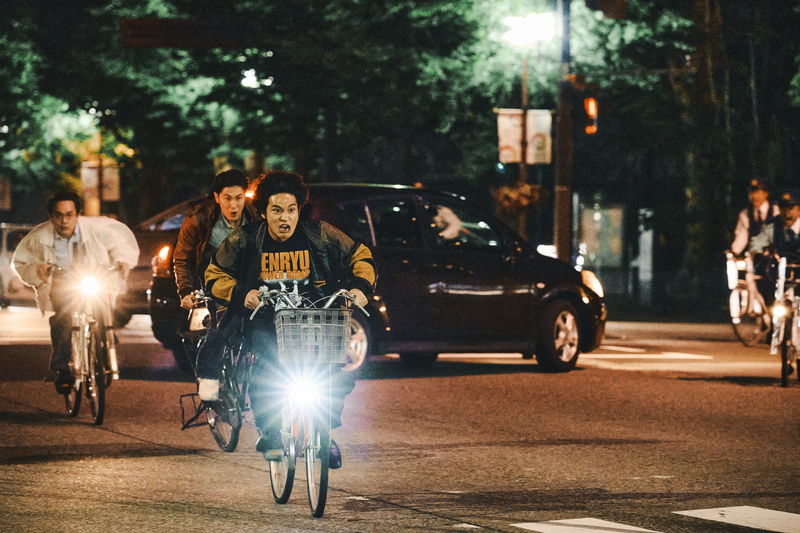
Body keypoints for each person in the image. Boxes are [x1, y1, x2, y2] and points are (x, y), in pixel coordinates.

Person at [204, 170, 376, 468]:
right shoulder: (244, 239)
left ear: (300, 210)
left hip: (316, 317)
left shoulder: (320, 234)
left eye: (291, 210)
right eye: (277, 210)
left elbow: (360, 256)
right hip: (264, 320)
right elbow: (214, 274)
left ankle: (323, 433)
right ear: (263, 212)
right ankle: (270, 432)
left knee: (334, 374)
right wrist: (242, 294)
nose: (285, 218)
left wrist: (359, 288)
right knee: (266, 372)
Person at [11, 190, 139, 394]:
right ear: (51, 216)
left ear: (78, 214)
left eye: (69, 214)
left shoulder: (98, 228)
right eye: (58, 215)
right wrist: (38, 269)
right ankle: (62, 369)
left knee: (103, 309)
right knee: (63, 318)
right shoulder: (39, 236)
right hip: (62, 282)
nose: (64, 220)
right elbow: (20, 262)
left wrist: (122, 261)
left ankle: (106, 341)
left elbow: (121, 242)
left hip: (94, 276)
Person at [172, 169, 258, 400]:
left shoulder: (256, 217)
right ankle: (209, 375)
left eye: (239, 198)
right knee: (224, 323)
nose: (233, 205)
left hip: (248, 282)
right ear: (217, 197)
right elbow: (182, 259)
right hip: (214, 283)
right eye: (227, 198)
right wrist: (186, 291)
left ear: (245, 197)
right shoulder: (198, 221)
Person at [730, 177, 779, 255]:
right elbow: (741, 236)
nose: (753, 196)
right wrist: (733, 253)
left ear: (766, 193)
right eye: (751, 192)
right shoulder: (745, 214)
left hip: (775, 254)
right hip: (754, 255)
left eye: (757, 191)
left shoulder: (776, 211)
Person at [749, 189, 800, 259]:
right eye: (782, 208)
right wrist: (764, 255)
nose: (786, 212)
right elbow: (755, 245)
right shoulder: (772, 227)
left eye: (790, 208)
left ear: (799, 210)